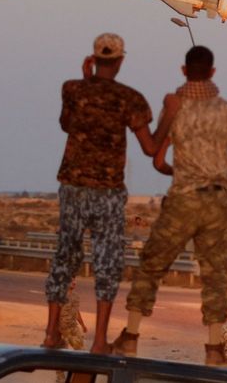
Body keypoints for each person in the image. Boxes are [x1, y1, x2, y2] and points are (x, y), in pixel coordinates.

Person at [110, 45, 227, 365]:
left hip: (184, 198)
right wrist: (214, 169)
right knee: (215, 273)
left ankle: (131, 336)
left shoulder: (175, 108)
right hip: (218, 200)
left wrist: (185, 171)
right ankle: (214, 349)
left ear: (183, 70)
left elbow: (157, 158)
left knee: (153, 263)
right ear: (213, 72)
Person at [43, 33, 175, 354]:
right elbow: (150, 147)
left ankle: (50, 333)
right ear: (119, 60)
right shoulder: (130, 99)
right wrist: (169, 113)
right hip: (108, 191)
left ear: (94, 58)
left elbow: (66, 124)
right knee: (108, 262)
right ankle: (100, 340)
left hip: (73, 186)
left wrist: (85, 82)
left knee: (66, 256)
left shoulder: (72, 89)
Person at [56, 279, 87, 383]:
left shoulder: (76, 296)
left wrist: (82, 325)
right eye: (71, 280)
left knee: (81, 351)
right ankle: (60, 378)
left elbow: (77, 312)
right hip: (62, 328)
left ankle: (78, 376)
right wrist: (55, 329)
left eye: (75, 280)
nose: (74, 282)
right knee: (61, 353)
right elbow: (55, 312)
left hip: (73, 327)